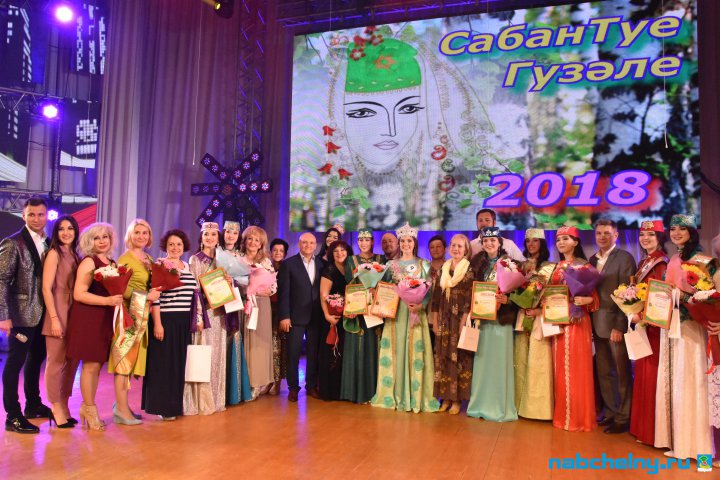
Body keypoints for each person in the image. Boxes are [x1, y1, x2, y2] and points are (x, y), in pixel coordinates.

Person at [656, 214, 716, 461]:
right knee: (675, 381)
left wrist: (682, 297)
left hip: (692, 327)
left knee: (691, 381)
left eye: (682, 229)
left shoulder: (702, 261)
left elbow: (709, 295)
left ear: (692, 232)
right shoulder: (673, 259)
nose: (676, 233)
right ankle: (678, 442)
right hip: (672, 326)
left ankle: (698, 448)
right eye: (673, 229)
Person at [371, 223, 438, 413]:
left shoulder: (424, 264)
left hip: (416, 311)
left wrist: (421, 305)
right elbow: (384, 288)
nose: (406, 244)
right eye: (402, 241)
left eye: (409, 240)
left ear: (414, 242)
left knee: (415, 351)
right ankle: (395, 393)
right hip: (396, 314)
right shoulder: (390, 265)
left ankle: (416, 396)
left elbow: (430, 291)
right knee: (397, 349)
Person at [66, 223, 124, 431]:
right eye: (96, 238)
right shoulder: (89, 262)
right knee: (90, 366)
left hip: (104, 318)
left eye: (105, 237)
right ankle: (90, 409)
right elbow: (79, 293)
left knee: (97, 366)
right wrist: (107, 301)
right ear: (89, 241)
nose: (102, 241)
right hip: (89, 318)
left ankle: (86, 406)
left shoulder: (113, 263)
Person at [0, 198, 51, 434]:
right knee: (15, 364)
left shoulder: (48, 242)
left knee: (36, 359)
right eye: (31, 214)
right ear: (23, 216)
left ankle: (33, 404)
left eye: (40, 214)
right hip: (20, 314)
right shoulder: (13, 243)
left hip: (42, 313)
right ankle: (13, 416)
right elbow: (1, 280)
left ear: (46, 216)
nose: (36, 219)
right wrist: (3, 315)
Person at [142, 229, 196, 420]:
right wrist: (158, 324)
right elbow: (155, 297)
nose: (175, 248)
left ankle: (175, 406)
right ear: (165, 246)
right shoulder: (160, 265)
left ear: (184, 246)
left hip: (184, 322)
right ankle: (163, 407)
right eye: (171, 244)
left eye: (178, 244)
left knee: (178, 365)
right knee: (164, 365)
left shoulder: (187, 267)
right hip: (166, 319)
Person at [589, 219, 636, 434]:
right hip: (596, 324)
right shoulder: (592, 259)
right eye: (599, 233)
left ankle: (624, 416)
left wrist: (620, 326)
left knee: (621, 372)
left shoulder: (624, 258)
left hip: (615, 326)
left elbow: (628, 294)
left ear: (616, 235)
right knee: (604, 372)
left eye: (607, 233)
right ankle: (610, 411)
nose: (602, 237)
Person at [112, 219, 160, 426]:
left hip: (143, 314)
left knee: (131, 364)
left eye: (145, 233)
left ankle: (122, 406)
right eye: (137, 232)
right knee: (124, 363)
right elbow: (120, 288)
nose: (141, 236)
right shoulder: (125, 259)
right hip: (129, 315)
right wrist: (147, 295)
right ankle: (121, 410)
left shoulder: (148, 258)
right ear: (130, 235)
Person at [466, 227, 518, 421]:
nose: (489, 244)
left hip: (501, 320)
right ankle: (479, 404)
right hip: (482, 318)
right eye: (485, 241)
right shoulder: (475, 263)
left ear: (499, 242)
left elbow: (520, 291)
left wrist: (508, 300)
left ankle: (499, 405)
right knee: (482, 361)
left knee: (499, 361)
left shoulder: (510, 264)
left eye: (492, 240)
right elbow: (468, 288)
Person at [549, 226, 598, 432]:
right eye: (558, 239)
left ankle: (579, 418)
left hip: (578, 321)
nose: (561, 243)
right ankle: (562, 416)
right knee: (560, 368)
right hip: (558, 320)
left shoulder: (584, 266)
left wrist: (587, 300)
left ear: (576, 242)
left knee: (578, 369)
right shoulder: (556, 267)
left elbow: (595, 298)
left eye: (566, 239)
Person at [626, 220, 667, 445]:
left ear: (660, 238)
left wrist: (641, 315)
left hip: (655, 327)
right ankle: (641, 429)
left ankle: (652, 432)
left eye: (651, 234)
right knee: (642, 374)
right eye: (642, 234)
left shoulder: (662, 263)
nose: (645, 238)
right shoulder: (644, 262)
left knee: (652, 375)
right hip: (644, 325)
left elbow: (661, 298)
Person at [41, 215, 81, 428]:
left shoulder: (76, 255)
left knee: (72, 362)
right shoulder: (54, 254)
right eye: (61, 229)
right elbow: (46, 288)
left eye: (70, 228)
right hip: (57, 310)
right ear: (56, 233)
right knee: (55, 362)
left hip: (75, 311)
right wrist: (54, 318)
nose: (66, 232)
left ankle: (64, 404)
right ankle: (55, 406)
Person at [184, 222, 227, 415]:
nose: (210, 238)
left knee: (218, 355)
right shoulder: (195, 259)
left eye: (213, 234)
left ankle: (217, 399)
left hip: (220, 312)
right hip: (205, 312)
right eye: (206, 234)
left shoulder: (222, 259)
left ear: (218, 238)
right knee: (204, 354)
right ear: (201, 237)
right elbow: (194, 290)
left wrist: (229, 283)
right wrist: (199, 315)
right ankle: (202, 400)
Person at [277, 232, 324, 402]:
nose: (308, 245)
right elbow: (284, 293)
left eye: (311, 243)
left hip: (316, 316)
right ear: (299, 244)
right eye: (304, 242)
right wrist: (284, 316)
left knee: (313, 354)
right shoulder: (288, 264)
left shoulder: (322, 264)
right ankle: (293, 388)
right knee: (293, 354)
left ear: (316, 245)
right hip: (294, 317)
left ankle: (311, 386)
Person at [431, 233, 475, 415]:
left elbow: (469, 300)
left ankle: (457, 400)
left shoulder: (469, 270)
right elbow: (435, 298)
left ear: (466, 250)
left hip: (459, 320)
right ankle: (445, 398)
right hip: (443, 319)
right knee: (442, 358)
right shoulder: (443, 269)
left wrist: (463, 323)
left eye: (460, 246)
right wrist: (435, 321)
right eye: (453, 245)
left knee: (459, 359)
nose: (456, 248)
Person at [513, 228, 554, 421]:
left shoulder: (551, 267)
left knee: (539, 361)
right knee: (521, 359)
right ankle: (518, 404)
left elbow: (554, 295)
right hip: (523, 317)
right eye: (528, 241)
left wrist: (539, 310)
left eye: (535, 241)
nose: (531, 244)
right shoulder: (520, 266)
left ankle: (538, 409)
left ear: (542, 243)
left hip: (539, 319)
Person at [341, 228, 384, 403]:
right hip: (358, 309)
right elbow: (349, 284)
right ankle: (355, 393)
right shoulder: (351, 260)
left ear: (372, 241)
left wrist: (376, 290)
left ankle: (373, 392)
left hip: (374, 310)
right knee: (357, 347)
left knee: (373, 347)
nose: (363, 243)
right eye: (360, 240)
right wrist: (351, 308)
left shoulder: (381, 259)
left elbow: (386, 282)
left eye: (367, 240)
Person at [239, 225, 277, 399]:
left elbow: (273, 286)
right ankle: (241, 383)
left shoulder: (266, 262)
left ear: (261, 243)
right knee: (243, 342)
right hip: (242, 304)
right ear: (244, 240)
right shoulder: (237, 259)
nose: (253, 242)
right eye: (250, 238)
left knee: (259, 345)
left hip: (261, 305)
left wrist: (265, 290)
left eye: (257, 240)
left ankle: (257, 383)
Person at [221, 221, 252, 405]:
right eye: (228, 232)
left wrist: (234, 280)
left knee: (235, 340)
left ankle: (235, 392)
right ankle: (220, 391)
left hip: (236, 303)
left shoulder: (241, 256)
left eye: (234, 233)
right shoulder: (217, 253)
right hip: (218, 304)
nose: (231, 236)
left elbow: (247, 280)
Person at [318, 240, 351, 400]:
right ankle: (330, 391)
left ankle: (343, 390)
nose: (339, 253)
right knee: (331, 354)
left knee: (344, 353)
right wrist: (327, 316)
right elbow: (323, 295)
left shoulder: (351, 268)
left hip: (349, 316)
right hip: (333, 317)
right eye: (336, 251)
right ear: (331, 254)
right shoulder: (329, 269)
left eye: (342, 250)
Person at [269, 238, 289, 395]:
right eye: (275, 250)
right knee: (266, 347)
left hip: (281, 313)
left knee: (279, 349)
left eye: (281, 251)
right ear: (270, 252)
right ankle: (266, 380)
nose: (278, 253)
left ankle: (277, 382)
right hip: (266, 310)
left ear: (285, 253)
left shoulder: (288, 268)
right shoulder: (265, 267)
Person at [427, 234, 446, 350]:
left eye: (438, 246)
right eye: (432, 247)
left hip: (445, 317)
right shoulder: (424, 268)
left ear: (445, 248)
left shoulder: (451, 268)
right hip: (426, 316)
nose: (435, 249)